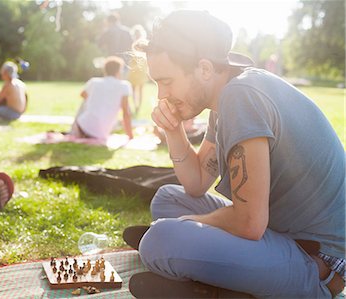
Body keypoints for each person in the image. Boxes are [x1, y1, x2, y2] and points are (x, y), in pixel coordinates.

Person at [124, 10, 345, 298]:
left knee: (159, 240)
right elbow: (196, 182)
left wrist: (191, 223)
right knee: (168, 198)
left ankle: (239, 285)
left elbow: (249, 222)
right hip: (280, 233)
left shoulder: (241, 97)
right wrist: (173, 130)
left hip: (320, 262)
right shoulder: (228, 94)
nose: (160, 95)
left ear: (204, 69)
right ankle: (217, 272)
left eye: (166, 81)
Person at [70, 56, 134, 140]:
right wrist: (130, 136)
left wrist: (97, 99)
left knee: (86, 101)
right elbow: (126, 113)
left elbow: (83, 95)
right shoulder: (124, 85)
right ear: (119, 71)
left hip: (81, 127)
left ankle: (73, 129)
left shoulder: (94, 82)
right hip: (99, 133)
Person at [127, 25, 149, 114]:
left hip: (141, 70)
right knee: (132, 89)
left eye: (138, 33)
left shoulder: (144, 44)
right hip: (133, 70)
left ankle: (138, 107)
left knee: (140, 89)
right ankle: (135, 105)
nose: (136, 35)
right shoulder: (132, 44)